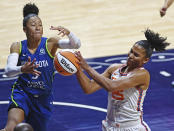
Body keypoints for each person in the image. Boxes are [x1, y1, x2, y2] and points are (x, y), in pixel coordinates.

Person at [1, 3, 81, 131]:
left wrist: (69, 33)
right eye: (33, 25)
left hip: (43, 97)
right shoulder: (17, 46)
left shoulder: (50, 43)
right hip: (23, 93)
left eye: (40, 25)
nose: (38, 28)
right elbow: (9, 71)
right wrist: (22, 69)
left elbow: (76, 44)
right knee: (10, 127)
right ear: (25, 30)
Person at [75, 29, 170, 131]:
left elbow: (111, 86)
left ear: (145, 60)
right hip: (109, 126)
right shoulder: (114, 69)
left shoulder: (142, 74)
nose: (130, 56)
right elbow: (88, 88)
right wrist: (77, 68)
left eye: (136, 55)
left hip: (132, 128)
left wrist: (87, 67)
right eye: (131, 51)